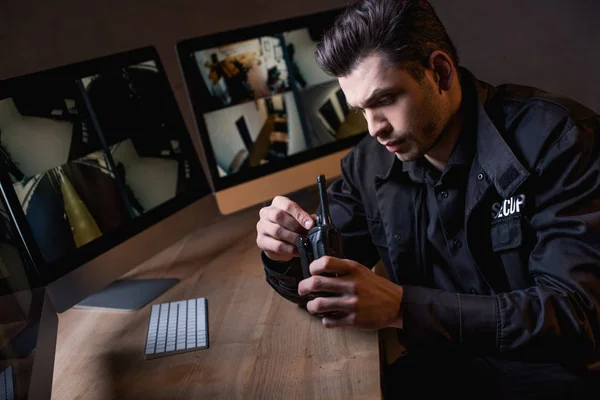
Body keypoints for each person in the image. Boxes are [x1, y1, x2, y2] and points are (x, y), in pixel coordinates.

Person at [255, 0, 600, 398]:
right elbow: (322, 283)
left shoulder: (562, 141)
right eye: (360, 110)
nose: (374, 129)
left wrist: (403, 308)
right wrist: (284, 255)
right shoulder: (368, 164)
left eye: (385, 100)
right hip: (439, 375)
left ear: (440, 71)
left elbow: (579, 316)